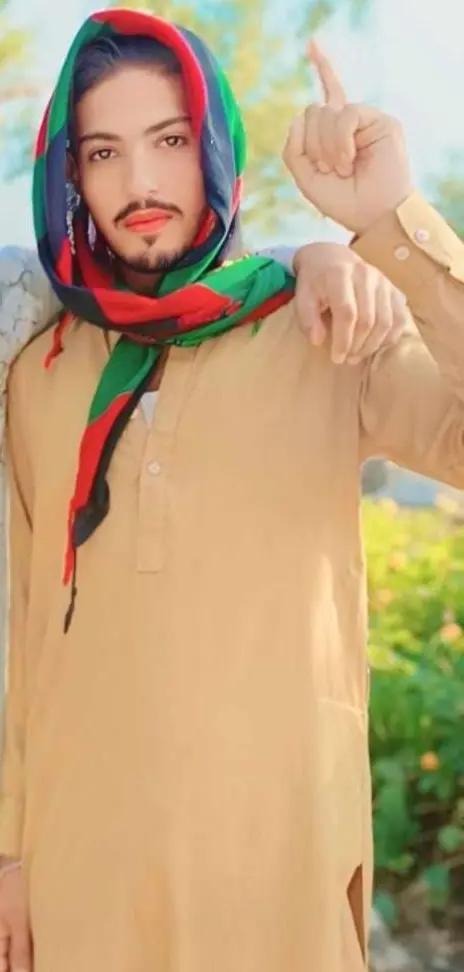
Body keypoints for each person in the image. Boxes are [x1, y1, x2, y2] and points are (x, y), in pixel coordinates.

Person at [0, 9, 462, 972]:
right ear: (71, 176)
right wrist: (10, 854)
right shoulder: (38, 372)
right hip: (83, 889)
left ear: (213, 150)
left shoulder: (326, 327)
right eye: (104, 152)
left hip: (278, 882)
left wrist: (388, 223)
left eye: (170, 140)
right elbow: (27, 638)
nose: (140, 182)